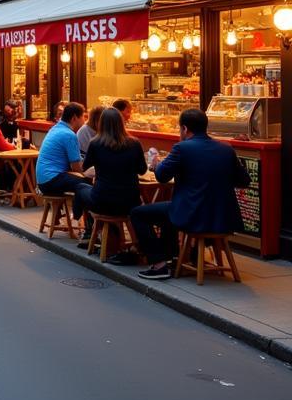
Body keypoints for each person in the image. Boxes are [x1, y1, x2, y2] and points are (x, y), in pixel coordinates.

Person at [131, 108, 251, 280]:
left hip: (192, 214)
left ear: (185, 129)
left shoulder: (182, 148)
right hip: (223, 217)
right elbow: (244, 181)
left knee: (138, 214)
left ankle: (159, 264)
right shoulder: (226, 149)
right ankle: (173, 256)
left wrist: (156, 164)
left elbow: (162, 176)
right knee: (168, 211)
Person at [72, 108, 147, 254]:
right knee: (85, 189)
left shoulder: (95, 143)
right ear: (121, 123)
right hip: (130, 202)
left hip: (102, 201)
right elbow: (142, 170)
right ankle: (107, 235)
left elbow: (85, 166)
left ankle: (87, 230)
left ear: (101, 124)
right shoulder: (134, 143)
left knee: (80, 187)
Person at [35, 102, 91, 218]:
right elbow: (77, 167)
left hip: (43, 180)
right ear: (75, 118)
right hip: (52, 180)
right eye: (83, 117)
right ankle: (82, 220)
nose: (85, 121)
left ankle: (70, 215)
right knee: (88, 184)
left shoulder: (55, 128)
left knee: (82, 183)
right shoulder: (69, 135)